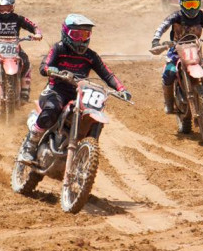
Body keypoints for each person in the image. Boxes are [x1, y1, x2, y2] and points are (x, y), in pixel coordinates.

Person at [18, 14, 131, 163]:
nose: (81, 39)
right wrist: (51, 70)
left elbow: (107, 74)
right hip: (56, 90)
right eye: (76, 34)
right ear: (66, 33)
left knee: (94, 117)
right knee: (52, 109)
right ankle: (30, 145)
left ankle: (86, 154)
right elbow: (44, 65)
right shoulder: (58, 49)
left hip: (79, 94)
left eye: (85, 34)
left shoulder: (91, 56)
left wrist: (121, 89)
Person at [150, 0, 203, 114]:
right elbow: (162, 26)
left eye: (194, 4)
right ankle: (169, 103)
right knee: (169, 72)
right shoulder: (176, 16)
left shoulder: (201, 15)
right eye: (188, 4)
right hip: (176, 50)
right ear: (181, 3)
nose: (191, 8)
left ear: (199, 3)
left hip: (195, 50)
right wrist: (156, 40)